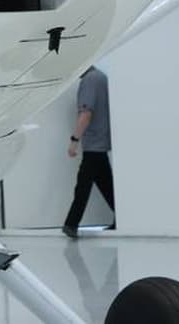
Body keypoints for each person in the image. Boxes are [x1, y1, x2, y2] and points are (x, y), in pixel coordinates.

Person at [62, 64, 114, 239]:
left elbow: (86, 114)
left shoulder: (90, 80)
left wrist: (74, 141)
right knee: (105, 183)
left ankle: (71, 224)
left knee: (83, 185)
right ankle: (121, 216)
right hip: (100, 142)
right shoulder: (101, 77)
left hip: (94, 143)